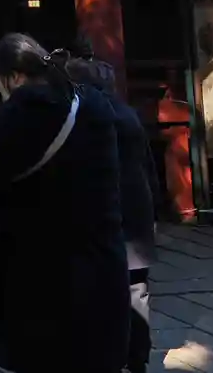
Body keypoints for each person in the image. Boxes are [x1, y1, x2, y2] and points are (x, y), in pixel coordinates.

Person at [0, 33, 130, 373]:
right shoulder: (91, 102)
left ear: (12, 76)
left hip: (44, 275)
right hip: (102, 265)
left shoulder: (27, 109)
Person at [64, 39, 155, 373]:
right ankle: (137, 356)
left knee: (97, 291)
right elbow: (148, 166)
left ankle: (106, 355)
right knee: (135, 287)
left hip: (102, 212)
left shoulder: (83, 120)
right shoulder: (129, 114)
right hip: (137, 208)